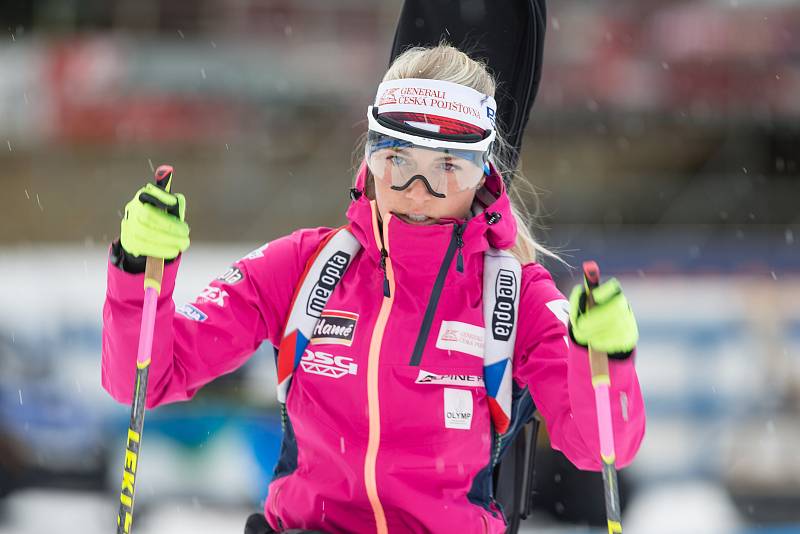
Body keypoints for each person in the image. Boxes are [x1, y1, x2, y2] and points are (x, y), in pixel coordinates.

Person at [102, 44, 644, 534]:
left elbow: (602, 448)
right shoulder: (305, 265)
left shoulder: (514, 293)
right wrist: (137, 269)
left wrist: (607, 356)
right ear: (370, 158)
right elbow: (142, 382)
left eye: (447, 169)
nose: (417, 192)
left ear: (483, 173)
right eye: (397, 161)